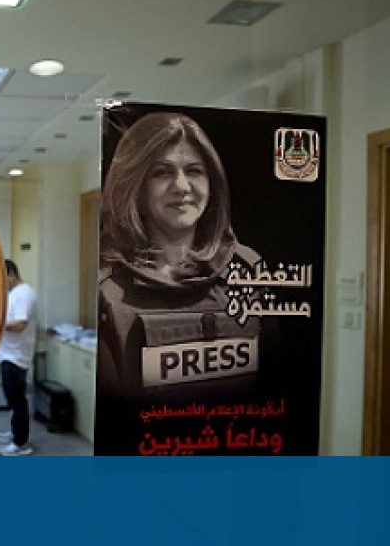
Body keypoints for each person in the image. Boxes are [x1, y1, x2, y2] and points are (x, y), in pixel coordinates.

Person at [96, 112, 267, 412]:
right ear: (135, 187)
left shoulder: (249, 269)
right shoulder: (107, 289)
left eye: (194, 171)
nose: (182, 186)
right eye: (161, 173)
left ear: (213, 184)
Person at [0, 259, 37, 456]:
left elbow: (20, 324)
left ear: (11, 274)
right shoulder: (15, 293)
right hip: (9, 354)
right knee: (12, 399)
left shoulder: (24, 294)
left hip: (16, 356)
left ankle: (21, 443)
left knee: (18, 400)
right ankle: (15, 432)